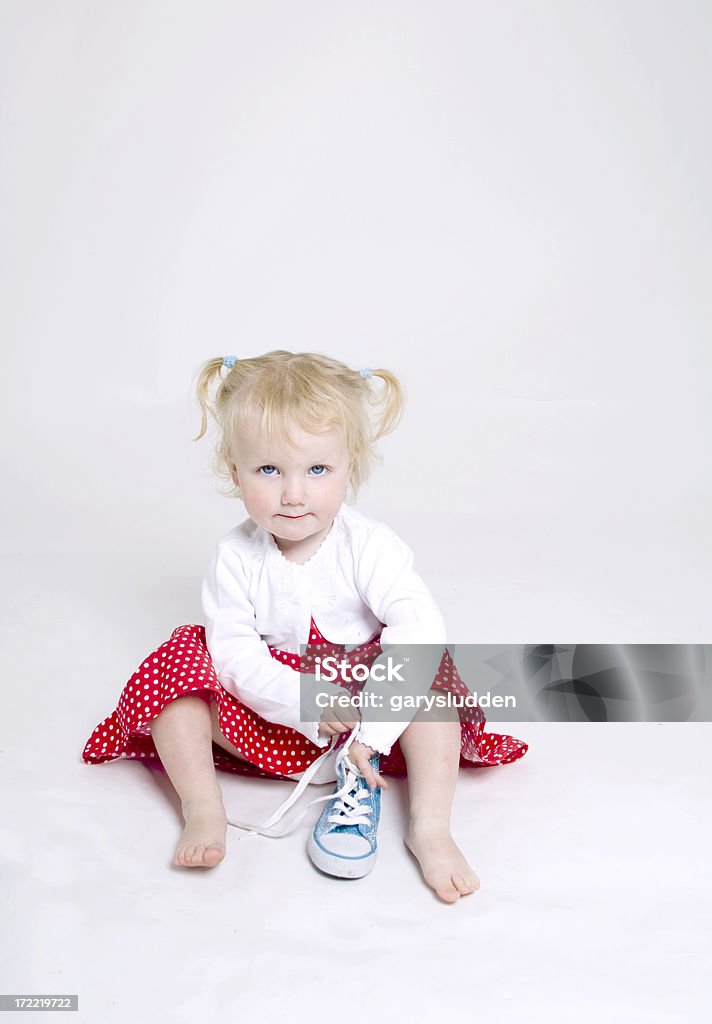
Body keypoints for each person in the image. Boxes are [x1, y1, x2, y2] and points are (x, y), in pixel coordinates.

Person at [82, 350, 528, 903]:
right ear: (234, 471)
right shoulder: (234, 556)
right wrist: (303, 697)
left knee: (429, 676)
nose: (293, 494)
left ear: (350, 466)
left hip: (372, 713)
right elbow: (237, 654)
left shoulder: (368, 544)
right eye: (269, 470)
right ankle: (203, 807)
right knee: (178, 669)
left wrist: (374, 728)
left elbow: (417, 625)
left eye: (317, 470)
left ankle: (430, 828)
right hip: (277, 713)